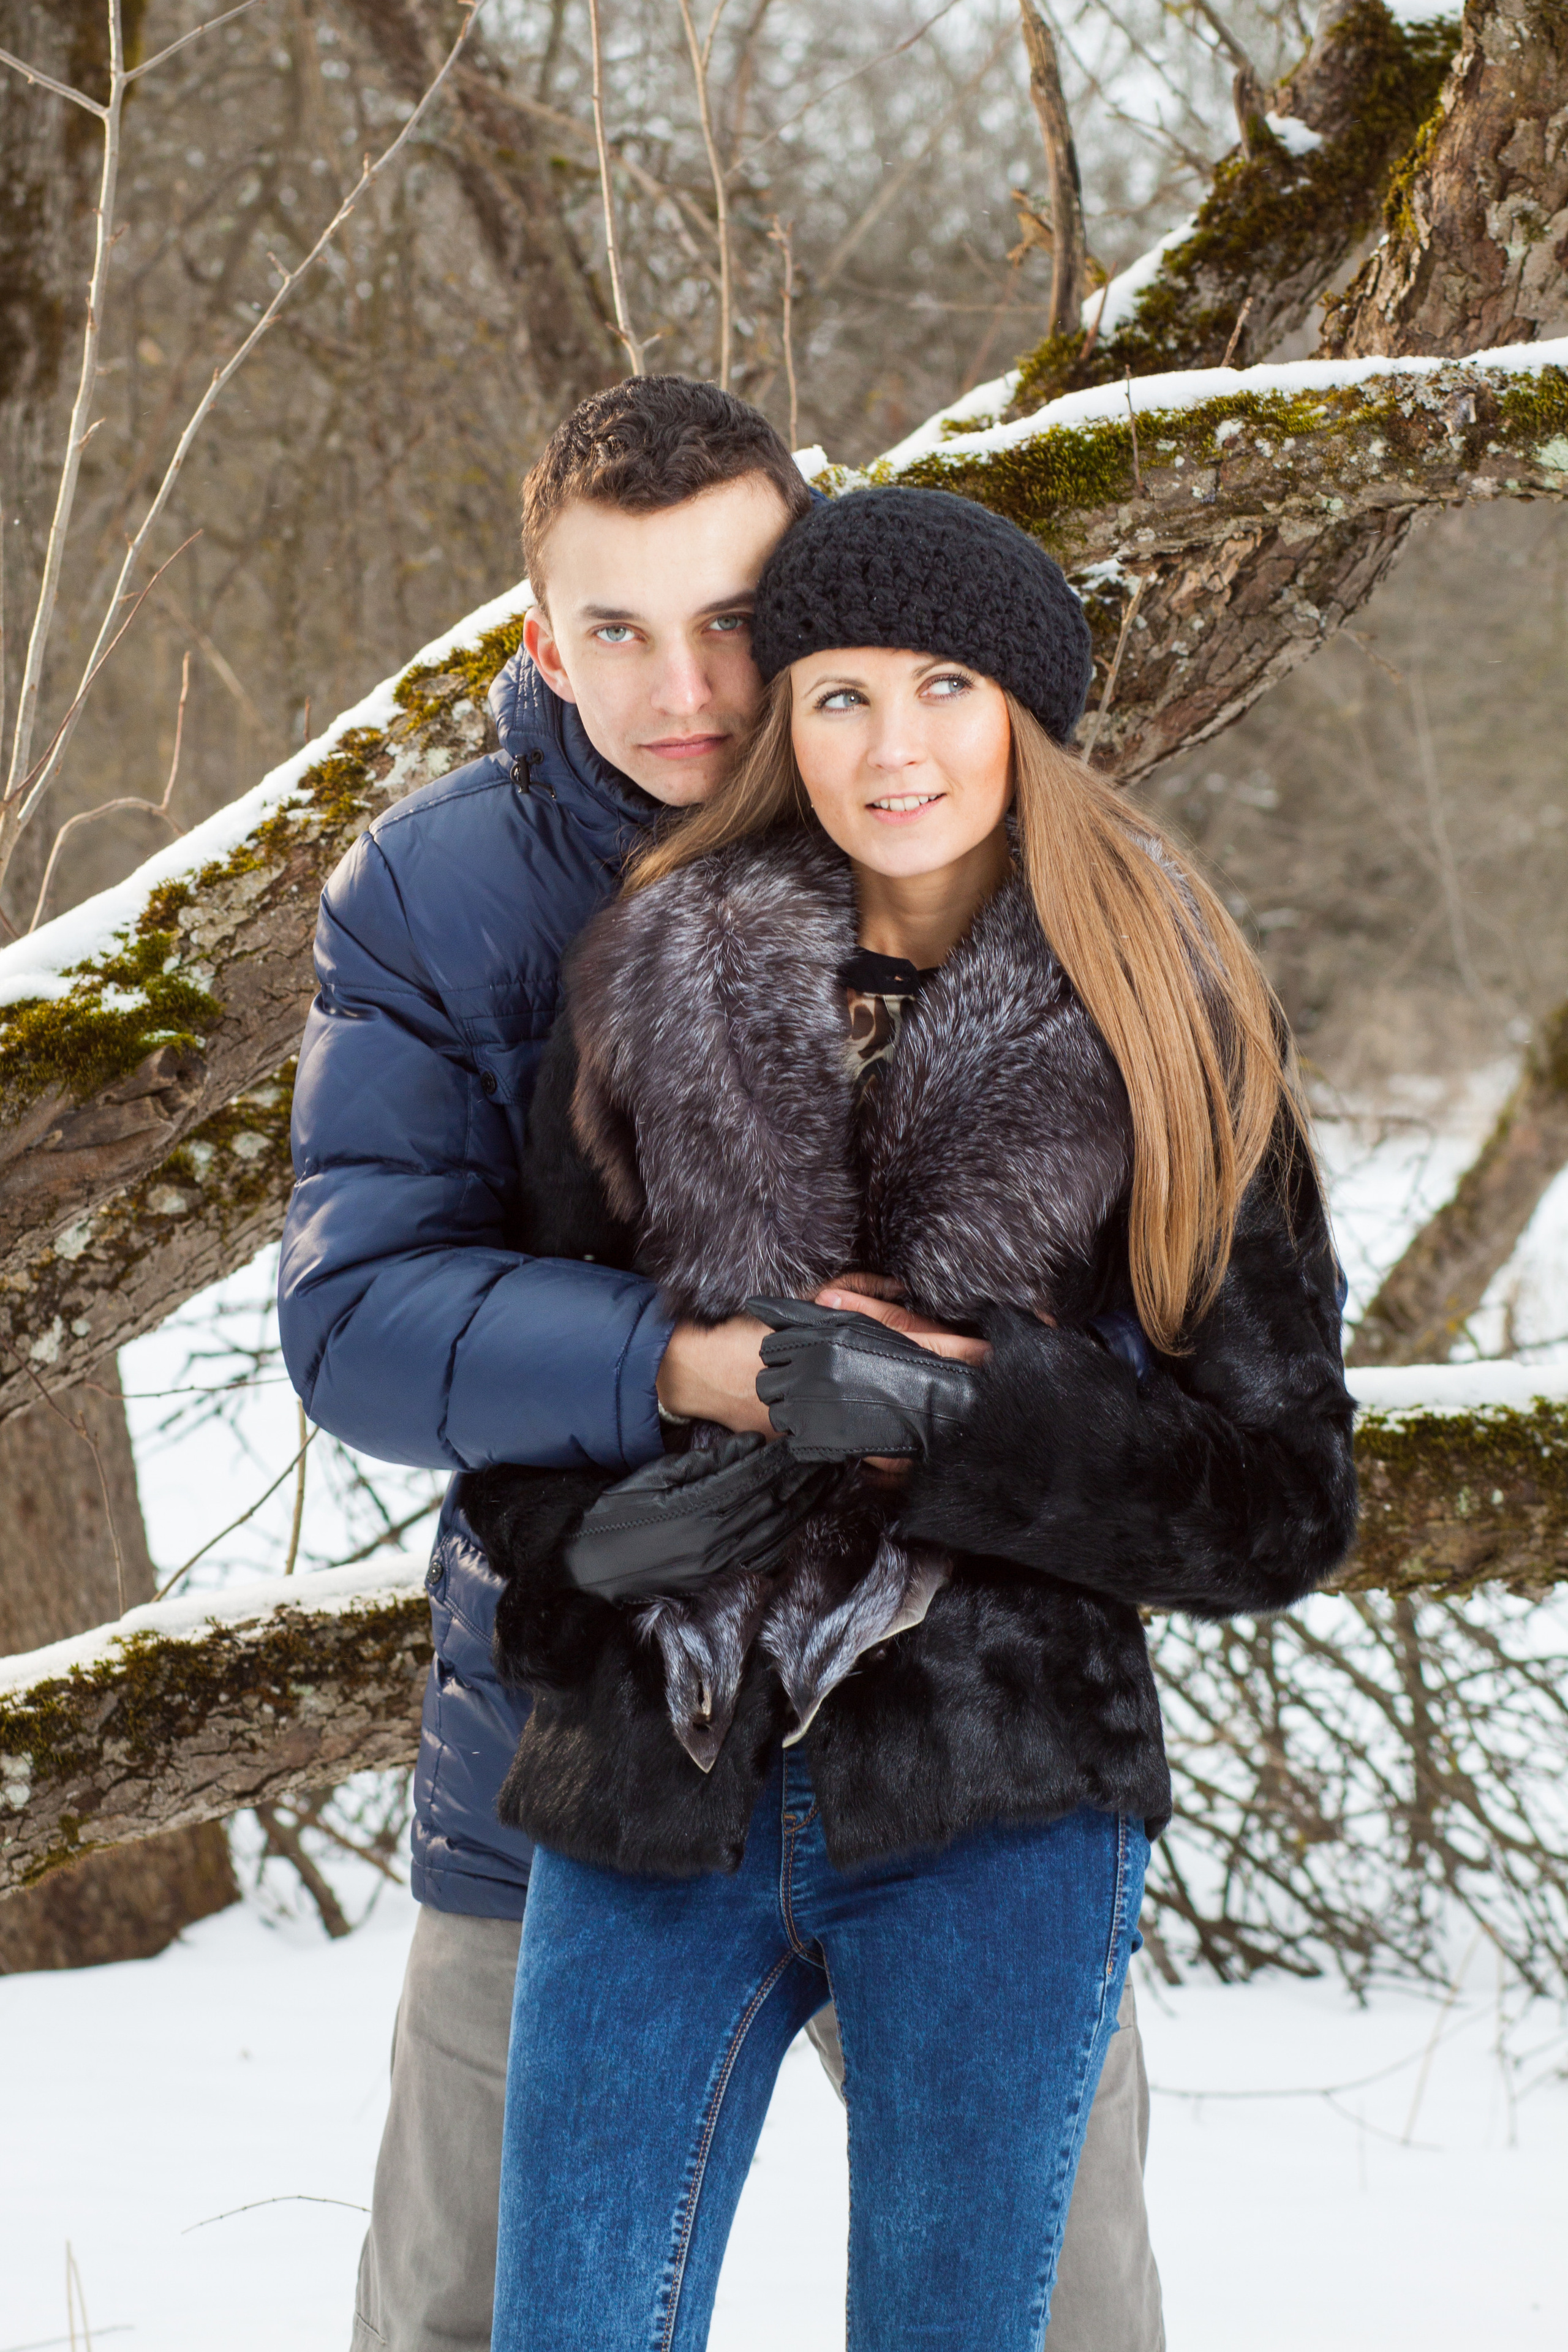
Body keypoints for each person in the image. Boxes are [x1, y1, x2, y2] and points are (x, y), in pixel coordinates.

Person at [279, 383, 1166, 2351]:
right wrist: (704, 1368)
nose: (685, 685)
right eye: (615, 628)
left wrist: (973, 1405)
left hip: (969, 1742)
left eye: (735, 613)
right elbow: (359, 1318)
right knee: (469, 2308)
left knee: (1061, 2307)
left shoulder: (998, 845)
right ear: (538, 639)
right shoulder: (438, 892)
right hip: (576, 1740)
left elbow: (1161, 1344)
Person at [470, 485, 1359, 2351]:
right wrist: (580, 1556)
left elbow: (1282, 1501)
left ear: (1025, 714)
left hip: (998, 1798)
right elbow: (541, 1399)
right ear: (781, 724)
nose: (896, 748)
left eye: (946, 687)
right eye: (840, 695)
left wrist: (967, 1420)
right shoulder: (649, 985)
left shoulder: (1172, 1030)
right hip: (650, 1778)